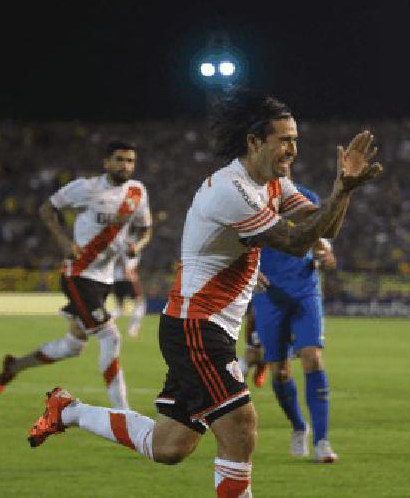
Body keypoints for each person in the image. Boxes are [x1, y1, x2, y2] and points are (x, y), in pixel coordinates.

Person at [21, 89, 381, 497]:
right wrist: (340, 191)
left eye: (295, 139)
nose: (293, 149)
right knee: (241, 428)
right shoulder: (232, 189)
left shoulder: (276, 184)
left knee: (169, 446)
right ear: (255, 142)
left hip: (207, 327)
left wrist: (344, 188)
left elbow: (322, 226)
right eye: (284, 139)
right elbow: (296, 242)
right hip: (197, 325)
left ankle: (68, 411)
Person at [0, 141, 151, 410]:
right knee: (111, 337)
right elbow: (47, 209)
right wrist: (64, 241)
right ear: (106, 162)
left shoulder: (137, 192)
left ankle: (15, 366)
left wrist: (137, 245)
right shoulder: (86, 188)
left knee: (74, 344)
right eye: (120, 159)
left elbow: (145, 229)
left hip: (105, 278)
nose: (126, 166)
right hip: (78, 274)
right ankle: (123, 413)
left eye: (130, 161)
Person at [251, 177, 340, 462]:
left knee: (312, 357)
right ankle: (299, 427)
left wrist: (326, 255)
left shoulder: (304, 196)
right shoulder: (248, 198)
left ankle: (322, 441)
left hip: (304, 289)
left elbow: (321, 242)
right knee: (279, 371)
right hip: (268, 293)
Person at [111, 240, 151, 338]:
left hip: (116, 279)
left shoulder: (116, 247)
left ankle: (104, 326)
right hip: (128, 279)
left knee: (119, 308)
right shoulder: (130, 248)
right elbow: (128, 267)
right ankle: (132, 329)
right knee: (140, 304)